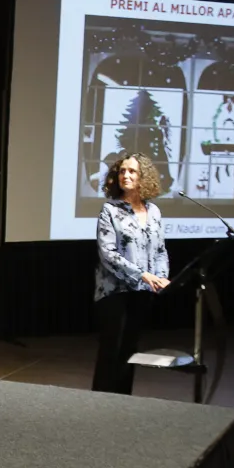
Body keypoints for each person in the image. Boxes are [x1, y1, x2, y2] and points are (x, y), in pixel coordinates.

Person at [92, 151, 171, 395]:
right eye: (122, 171)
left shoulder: (154, 212)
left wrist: (162, 276)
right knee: (111, 351)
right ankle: (101, 402)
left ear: (143, 177)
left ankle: (124, 403)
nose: (125, 175)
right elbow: (108, 254)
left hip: (141, 292)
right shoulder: (110, 211)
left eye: (132, 171)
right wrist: (143, 275)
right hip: (114, 293)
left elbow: (159, 250)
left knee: (130, 351)